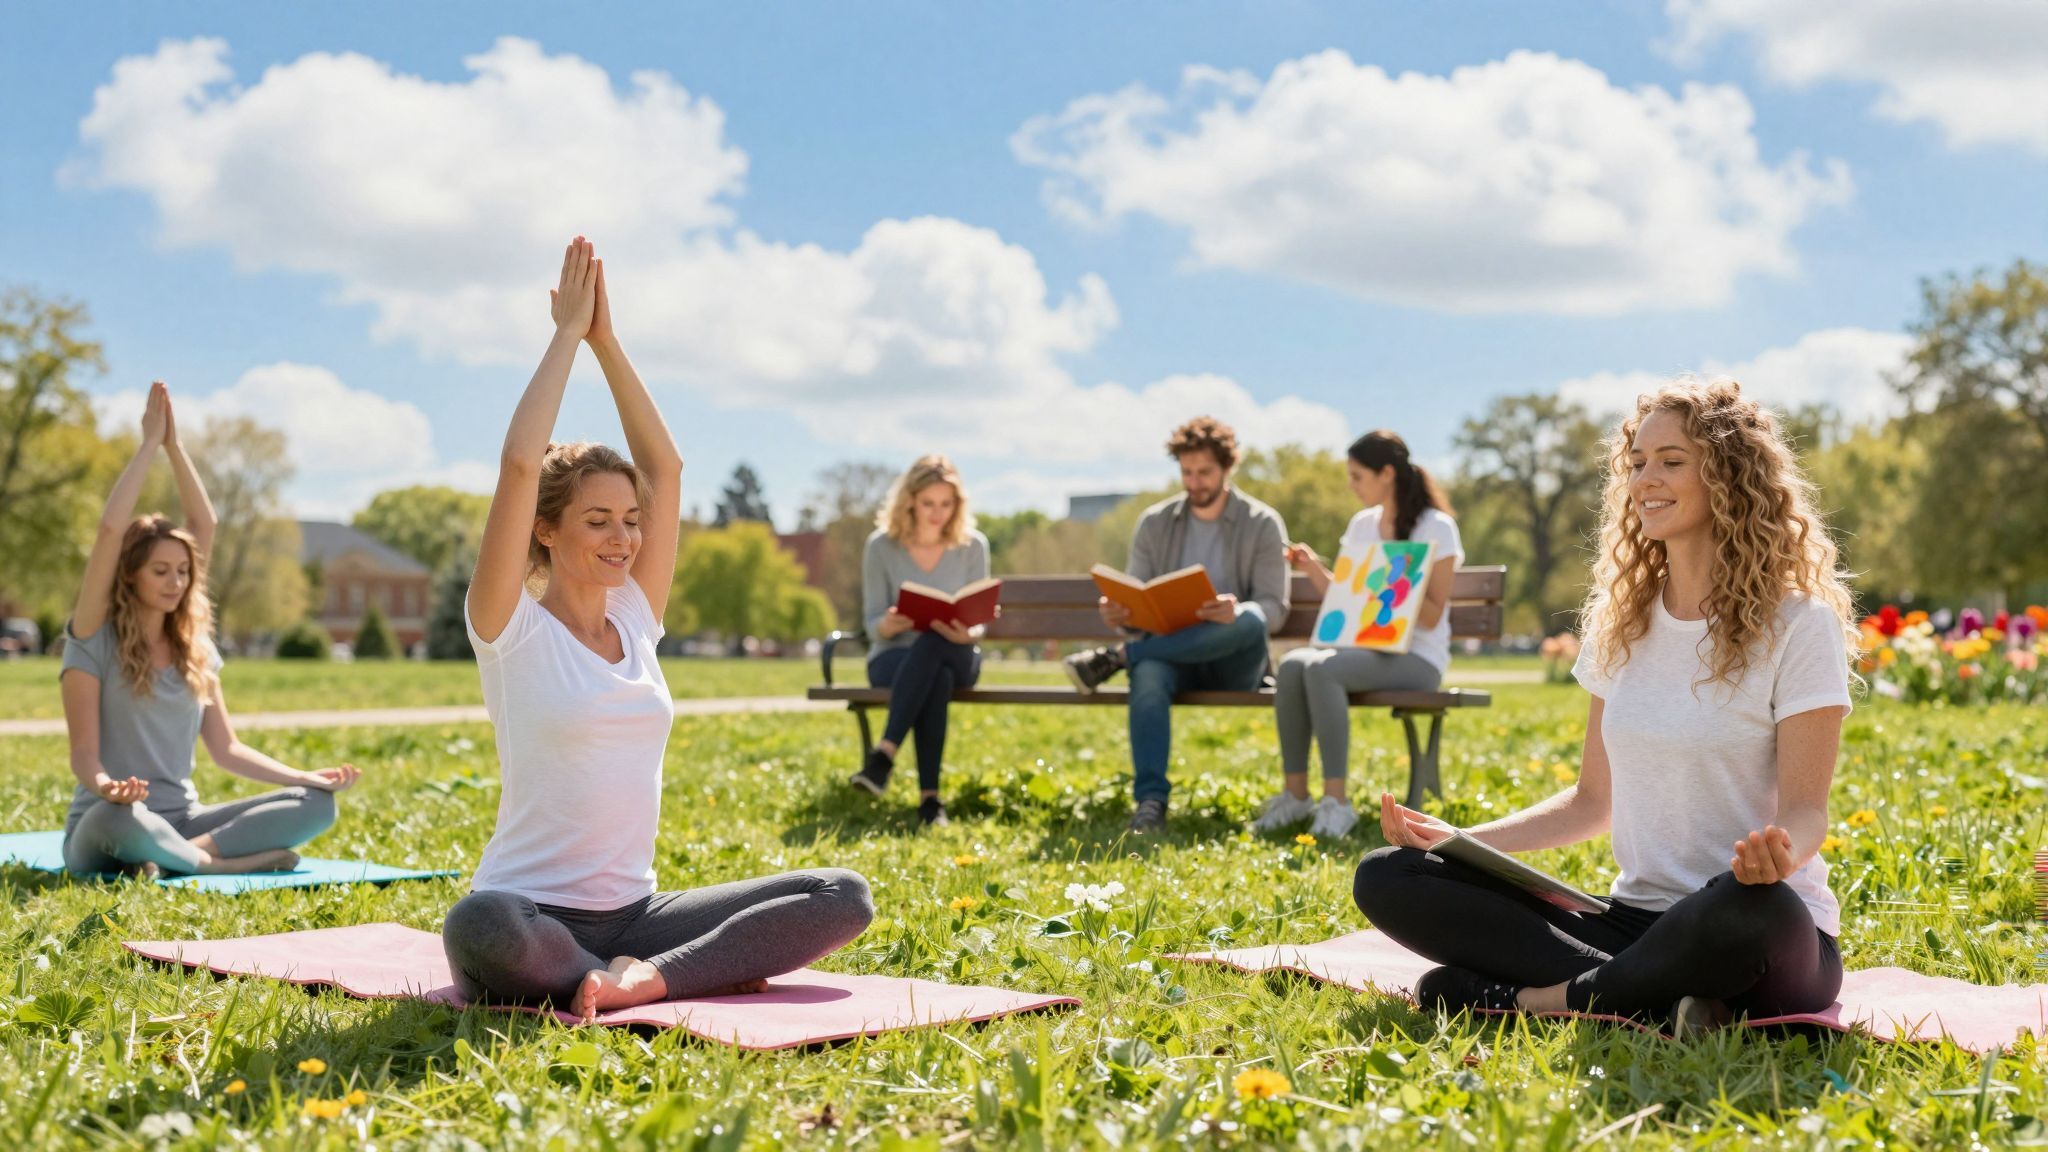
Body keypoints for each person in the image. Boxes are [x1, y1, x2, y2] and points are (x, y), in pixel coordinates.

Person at [440, 237, 873, 1020]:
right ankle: (602, 972)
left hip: (640, 915)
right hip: (534, 915)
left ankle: (643, 979)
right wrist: (567, 336)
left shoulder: (637, 617)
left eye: (631, 522)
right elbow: (516, 465)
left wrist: (610, 341)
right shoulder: (508, 629)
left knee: (840, 894)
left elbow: (666, 468)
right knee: (481, 924)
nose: (623, 538)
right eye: (598, 519)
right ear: (546, 530)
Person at [1353, 378, 1854, 1035]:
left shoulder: (1799, 623)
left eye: (1672, 461)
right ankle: (1667, 999)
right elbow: (1592, 802)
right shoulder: (1622, 624)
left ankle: (1539, 1001)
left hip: (1757, 921)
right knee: (1391, 875)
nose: (1647, 478)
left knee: (1745, 910)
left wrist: (1781, 855)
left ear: (1732, 477)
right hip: (1631, 924)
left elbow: (1806, 810)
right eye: (1638, 463)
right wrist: (1457, 843)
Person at [61, 382, 358, 877]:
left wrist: (304, 776)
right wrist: (148, 447)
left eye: (182, 571)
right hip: (107, 820)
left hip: (181, 821)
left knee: (317, 805)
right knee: (124, 818)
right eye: (160, 571)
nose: (175, 581)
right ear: (129, 574)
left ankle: (176, 856)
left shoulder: (194, 648)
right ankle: (210, 864)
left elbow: (228, 750)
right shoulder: (94, 636)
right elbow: (84, 756)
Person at [1064, 417, 1290, 835]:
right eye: (1187, 472)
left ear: (1227, 468)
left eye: (1204, 472)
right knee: (1147, 671)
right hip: (1169, 653)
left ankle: (1119, 659)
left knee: (1250, 618)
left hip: (1235, 663)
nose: (1194, 482)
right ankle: (1150, 802)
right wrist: (1123, 614)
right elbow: (1138, 597)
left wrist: (1234, 610)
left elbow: (1274, 609)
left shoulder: (1261, 523)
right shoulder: (1155, 522)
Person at [1252, 431, 1461, 839]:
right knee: (1294, 664)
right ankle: (1295, 796)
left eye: (1357, 476)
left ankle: (1337, 803)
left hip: (1417, 660)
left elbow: (1434, 617)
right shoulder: (1362, 525)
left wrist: (1398, 585)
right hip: (1365, 650)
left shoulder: (1437, 527)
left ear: (1386, 474)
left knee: (1323, 670)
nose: (1351, 485)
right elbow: (1349, 602)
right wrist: (1313, 568)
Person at [847, 455, 992, 826]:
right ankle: (931, 802)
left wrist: (970, 632)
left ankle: (883, 756)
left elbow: (979, 619)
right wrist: (890, 624)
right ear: (909, 500)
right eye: (929, 503)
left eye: (946, 504)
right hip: (893, 657)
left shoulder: (973, 546)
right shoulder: (881, 547)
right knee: (934, 674)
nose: (937, 513)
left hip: (959, 653)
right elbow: (872, 621)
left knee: (934, 644)